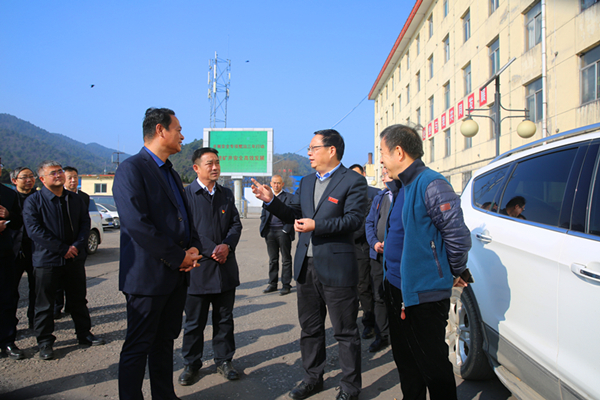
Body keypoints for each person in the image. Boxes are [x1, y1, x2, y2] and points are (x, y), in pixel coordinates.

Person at [252, 129, 367, 400]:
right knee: (310, 328)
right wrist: (271, 201)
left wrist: (318, 225)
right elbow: (293, 213)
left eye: (314, 148)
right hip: (306, 267)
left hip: (337, 268)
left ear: (331, 150)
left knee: (345, 332)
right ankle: (312, 378)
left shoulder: (353, 181)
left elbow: (353, 220)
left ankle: (350, 388)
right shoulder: (305, 182)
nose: (309, 153)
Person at [113, 107, 202, 400]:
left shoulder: (172, 173)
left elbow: (184, 217)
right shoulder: (131, 169)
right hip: (147, 278)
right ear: (161, 130)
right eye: (178, 130)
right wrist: (178, 257)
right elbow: (137, 224)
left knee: (164, 343)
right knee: (138, 345)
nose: (182, 136)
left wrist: (192, 247)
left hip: (175, 276)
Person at [378, 124, 472, 400]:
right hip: (397, 287)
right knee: (406, 363)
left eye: (382, 152)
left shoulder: (431, 184)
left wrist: (452, 272)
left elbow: (457, 236)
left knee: (433, 366)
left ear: (398, 152)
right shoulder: (401, 186)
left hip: (423, 293)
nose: (381, 159)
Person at [23, 161, 105, 361]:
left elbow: (85, 224)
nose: (58, 175)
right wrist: (62, 249)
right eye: (53, 173)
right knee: (45, 304)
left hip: (73, 259)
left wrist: (76, 246)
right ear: (42, 179)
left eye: (60, 171)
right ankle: (45, 342)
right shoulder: (34, 201)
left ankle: (84, 334)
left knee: (78, 300)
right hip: (47, 260)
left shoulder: (74, 199)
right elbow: (34, 231)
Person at [178, 147, 243, 386]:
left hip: (225, 268)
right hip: (198, 268)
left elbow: (236, 224)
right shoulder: (186, 195)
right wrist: (213, 249)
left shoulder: (226, 194)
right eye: (209, 163)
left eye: (217, 162)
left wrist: (227, 246)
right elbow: (187, 230)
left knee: (224, 319)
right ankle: (191, 364)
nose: (215, 167)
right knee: (194, 322)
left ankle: (224, 360)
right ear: (196, 168)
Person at [348, 164, 380, 343]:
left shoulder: (375, 194)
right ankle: (361, 321)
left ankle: (372, 323)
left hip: (369, 247)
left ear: (364, 175)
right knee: (356, 287)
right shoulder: (346, 194)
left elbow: (368, 222)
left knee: (369, 286)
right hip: (351, 248)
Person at [54, 166, 90, 320]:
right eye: (70, 177)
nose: (73, 180)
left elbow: (84, 221)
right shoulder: (56, 196)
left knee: (77, 282)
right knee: (57, 282)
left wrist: (78, 244)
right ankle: (57, 307)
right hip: (60, 247)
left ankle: (72, 307)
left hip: (77, 246)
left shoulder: (83, 197)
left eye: (75, 177)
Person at [364, 167, 393, 353]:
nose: (383, 178)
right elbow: (369, 223)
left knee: (397, 297)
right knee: (379, 296)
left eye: (386, 174)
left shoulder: (404, 195)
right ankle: (382, 336)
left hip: (397, 257)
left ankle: (399, 337)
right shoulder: (379, 197)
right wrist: (374, 243)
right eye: (382, 175)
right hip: (378, 255)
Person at [0, 158, 26, 360]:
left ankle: (8, 341)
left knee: (8, 299)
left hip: (5, 254)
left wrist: (9, 215)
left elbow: (18, 222)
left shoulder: (9, 194)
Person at [10, 167, 37, 330]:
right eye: (24, 177)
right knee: (11, 291)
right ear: (14, 180)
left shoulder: (39, 197)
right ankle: (10, 325)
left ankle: (35, 321)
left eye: (31, 176)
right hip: (13, 250)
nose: (29, 180)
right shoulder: (8, 198)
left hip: (35, 249)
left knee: (37, 289)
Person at [260, 174, 295, 296]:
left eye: (278, 183)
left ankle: (286, 285)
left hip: (283, 232)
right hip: (270, 232)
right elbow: (264, 213)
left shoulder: (289, 198)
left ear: (282, 184)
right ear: (271, 184)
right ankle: (272, 284)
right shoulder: (267, 197)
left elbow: (292, 214)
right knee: (272, 259)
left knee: (286, 259)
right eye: (274, 183)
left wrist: (286, 230)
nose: (276, 185)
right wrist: (264, 229)